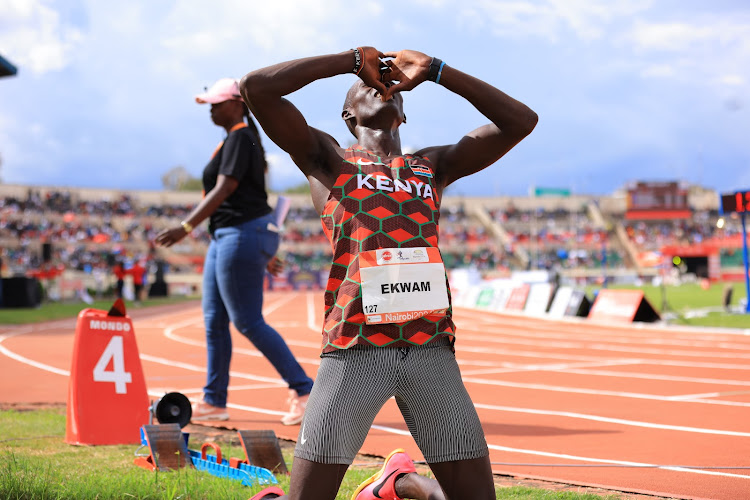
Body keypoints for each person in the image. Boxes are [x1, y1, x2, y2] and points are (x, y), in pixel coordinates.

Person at [239, 47, 537, 499]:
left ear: (403, 112)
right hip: (355, 348)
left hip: (429, 349)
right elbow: (256, 88)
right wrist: (352, 61)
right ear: (347, 114)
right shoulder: (329, 159)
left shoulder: (432, 166)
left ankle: (389, 487)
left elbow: (521, 121)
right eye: (367, 84)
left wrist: (438, 71)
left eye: (390, 83)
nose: (381, 84)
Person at [154, 77, 314, 425]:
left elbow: (227, 188)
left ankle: (304, 390)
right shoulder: (233, 140)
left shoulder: (241, 137)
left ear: (238, 103)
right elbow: (246, 196)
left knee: (247, 321)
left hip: (239, 234)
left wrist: (186, 227)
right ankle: (215, 400)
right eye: (209, 104)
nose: (211, 110)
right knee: (214, 321)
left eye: (217, 103)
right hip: (229, 236)